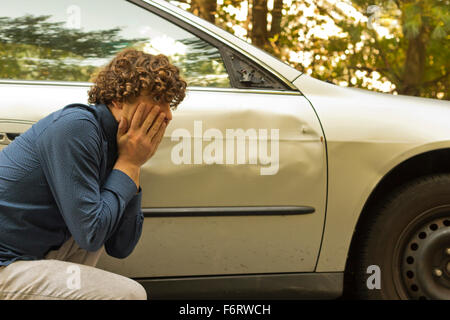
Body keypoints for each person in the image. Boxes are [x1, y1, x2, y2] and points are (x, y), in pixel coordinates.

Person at [0, 49, 187, 300]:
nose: (167, 114)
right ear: (119, 99)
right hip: (5, 263)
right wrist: (129, 164)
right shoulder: (77, 127)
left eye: (169, 102)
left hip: (31, 256)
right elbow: (91, 235)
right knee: (129, 295)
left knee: (99, 210)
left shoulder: (119, 145)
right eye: (156, 98)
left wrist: (131, 163)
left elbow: (121, 247)